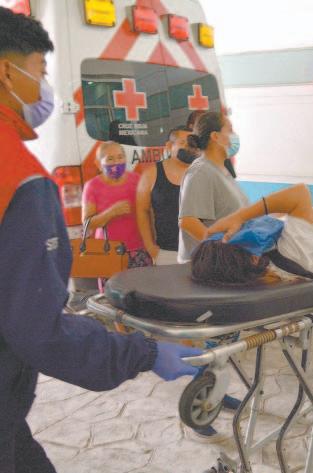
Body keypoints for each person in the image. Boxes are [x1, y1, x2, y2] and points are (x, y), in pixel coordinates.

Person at [0, 8, 203, 472]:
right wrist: (145, 352)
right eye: (40, 71)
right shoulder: (20, 179)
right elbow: (38, 330)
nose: (44, 86)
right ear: (7, 73)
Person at [178, 111, 248, 264]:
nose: (234, 135)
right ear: (215, 136)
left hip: (229, 261)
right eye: (230, 130)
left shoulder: (222, 171)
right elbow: (188, 221)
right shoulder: (200, 171)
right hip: (209, 264)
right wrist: (222, 251)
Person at [82, 141, 151, 269]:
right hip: (108, 252)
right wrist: (111, 212)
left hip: (138, 249)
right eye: (110, 159)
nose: (116, 162)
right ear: (99, 164)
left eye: (120, 157)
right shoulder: (92, 186)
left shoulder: (136, 180)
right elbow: (87, 223)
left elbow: (148, 212)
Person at [136, 126, 196, 265]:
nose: (188, 147)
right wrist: (150, 247)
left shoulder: (203, 173)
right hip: (166, 252)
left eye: (191, 144)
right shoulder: (151, 174)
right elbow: (142, 211)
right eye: (182, 142)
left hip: (200, 250)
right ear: (169, 146)